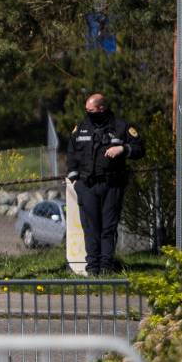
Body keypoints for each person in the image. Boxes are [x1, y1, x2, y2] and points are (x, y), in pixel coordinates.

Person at [66, 93, 145, 274]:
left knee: (108, 228)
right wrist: (75, 180)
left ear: (102, 108)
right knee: (91, 229)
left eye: (91, 110)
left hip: (112, 185)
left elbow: (140, 148)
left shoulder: (121, 127)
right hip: (86, 186)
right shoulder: (81, 127)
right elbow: (71, 153)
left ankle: (106, 268)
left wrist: (123, 149)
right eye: (86, 110)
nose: (88, 113)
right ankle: (93, 269)